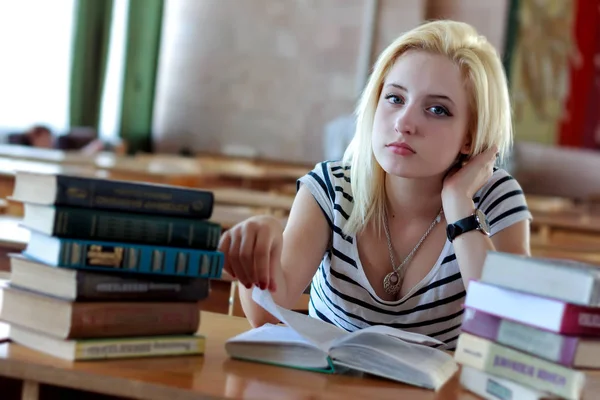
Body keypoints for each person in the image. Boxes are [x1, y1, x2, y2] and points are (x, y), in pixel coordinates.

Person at [218, 20, 532, 350]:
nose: (404, 123)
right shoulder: (330, 188)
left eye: (437, 109)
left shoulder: (495, 199)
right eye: (395, 98)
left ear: (469, 136)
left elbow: (510, 329)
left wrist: (459, 206)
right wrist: (259, 249)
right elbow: (267, 316)